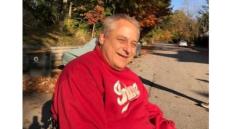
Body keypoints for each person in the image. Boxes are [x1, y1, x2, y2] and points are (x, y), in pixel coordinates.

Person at [51, 14, 176, 129]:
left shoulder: (130, 76)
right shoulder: (81, 72)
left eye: (133, 44)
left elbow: (147, 108)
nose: (128, 49)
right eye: (122, 40)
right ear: (102, 38)